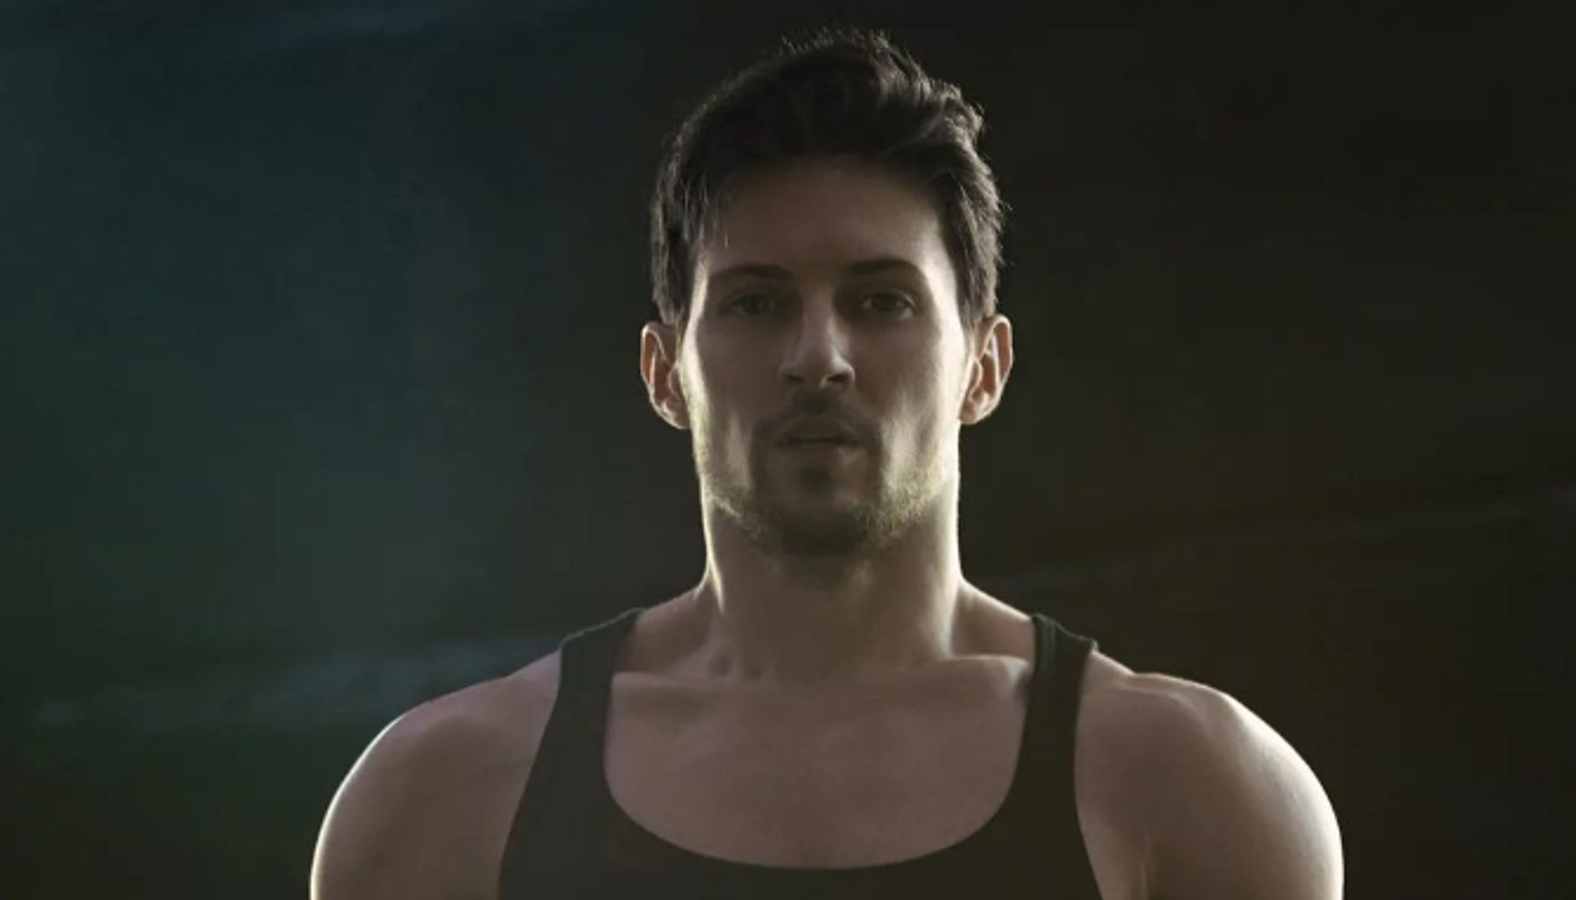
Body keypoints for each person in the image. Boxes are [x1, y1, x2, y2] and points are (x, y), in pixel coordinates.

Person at [310, 27, 1343, 900]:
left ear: (984, 367)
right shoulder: (444, 798)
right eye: (756, 303)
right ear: (665, 373)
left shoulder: (1186, 785)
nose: (817, 357)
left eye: (881, 301)